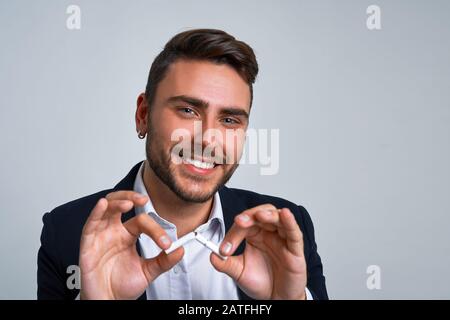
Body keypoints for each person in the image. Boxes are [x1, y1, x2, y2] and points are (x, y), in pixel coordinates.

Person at [37, 29, 328, 300]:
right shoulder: (67, 231)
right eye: (188, 110)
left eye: (229, 120)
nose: (208, 140)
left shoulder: (287, 229)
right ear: (143, 114)